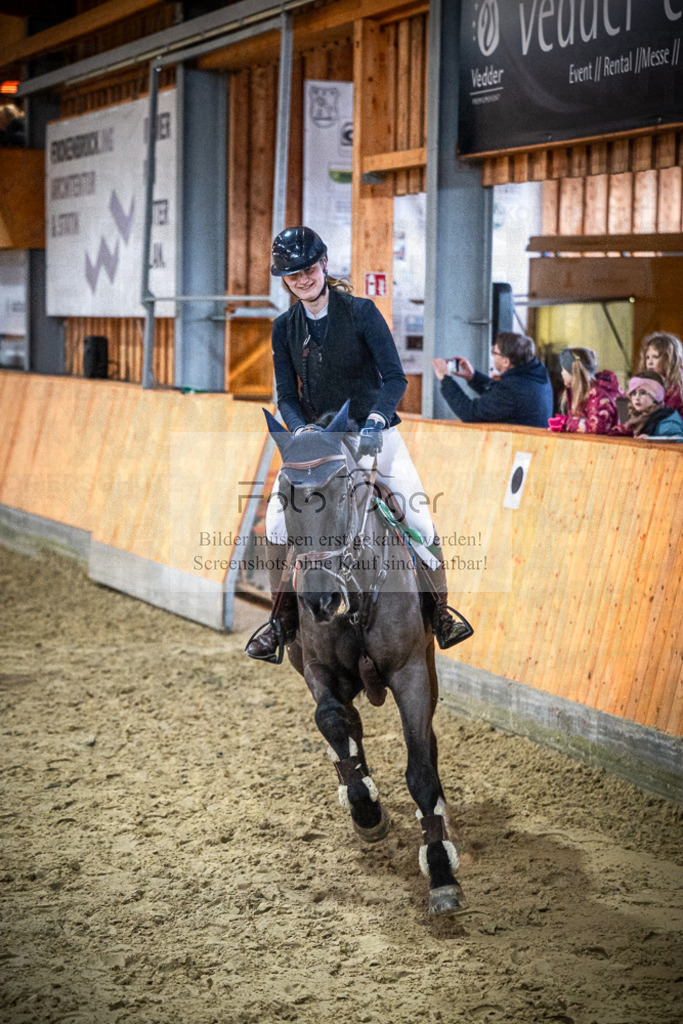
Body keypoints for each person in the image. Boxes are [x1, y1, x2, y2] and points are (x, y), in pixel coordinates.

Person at [246, 225, 472, 662]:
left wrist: (374, 418)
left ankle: (441, 614)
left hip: (375, 433)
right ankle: (280, 620)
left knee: (421, 521)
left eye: (308, 270)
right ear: (285, 280)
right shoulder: (283, 329)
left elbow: (395, 378)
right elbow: (287, 397)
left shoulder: (362, 312)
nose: (303, 280)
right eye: (293, 275)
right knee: (277, 522)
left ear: (323, 264)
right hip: (318, 446)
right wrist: (301, 433)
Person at [431, 331, 553, 428]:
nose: (493, 356)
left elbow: (469, 413)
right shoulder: (537, 376)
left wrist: (445, 379)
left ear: (506, 361)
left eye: (494, 352)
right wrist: (473, 376)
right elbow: (498, 396)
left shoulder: (510, 390)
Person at [548, 347, 622, 434]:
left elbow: (597, 427)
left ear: (574, 373)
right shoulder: (574, 392)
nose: (562, 373)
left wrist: (567, 423)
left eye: (563, 369)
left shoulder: (598, 395)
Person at [615, 370, 683, 440]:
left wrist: (651, 439)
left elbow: (677, 441)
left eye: (643, 393)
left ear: (656, 397)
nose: (637, 397)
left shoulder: (667, 421)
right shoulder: (639, 419)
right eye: (634, 393)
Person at [636, 331, 683, 414]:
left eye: (655, 357)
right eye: (647, 357)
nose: (649, 362)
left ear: (669, 359)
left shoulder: (677, 390)